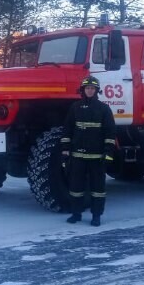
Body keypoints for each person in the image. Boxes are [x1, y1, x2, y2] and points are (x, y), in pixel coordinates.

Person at [60, 76, 116, 227]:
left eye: (92, 88)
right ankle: (76, 213)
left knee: (98, 189)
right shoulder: (75, 107)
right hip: (77, 156)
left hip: (97, 157)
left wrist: (108, 153)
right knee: (75, 187)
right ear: (83, 90)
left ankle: (96, 216)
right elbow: (67, 130)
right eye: (87, 88)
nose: (90, 90)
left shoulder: (104, 109)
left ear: (97, 91)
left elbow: (110, 133)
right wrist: (65, 151)